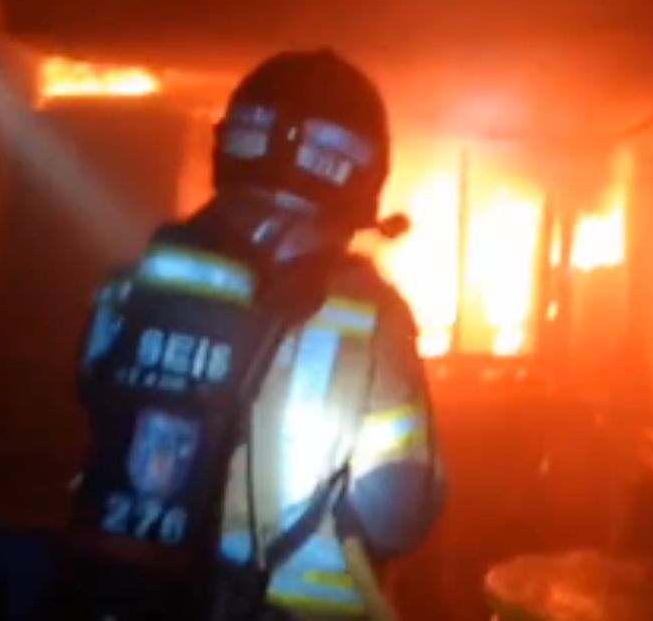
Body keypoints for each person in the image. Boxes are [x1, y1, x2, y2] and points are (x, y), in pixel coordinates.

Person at [57, 50, 444, 621]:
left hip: (113, 600)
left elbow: (80, 425)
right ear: (361, 177)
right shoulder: (370, 317)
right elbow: (399, 513)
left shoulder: (133, 283)